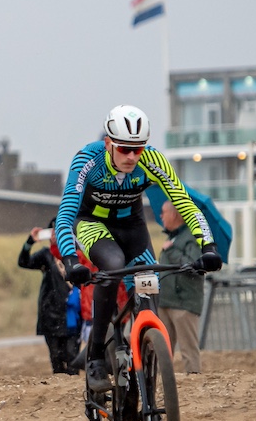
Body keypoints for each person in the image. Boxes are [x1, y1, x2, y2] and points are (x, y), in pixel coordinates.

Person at [57, 106, 221, 393]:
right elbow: (66, 213)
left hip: (132, 226)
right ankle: (96, 355)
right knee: (113, 263)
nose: (132, 156)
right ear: (109, 143)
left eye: (138, 149)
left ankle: (145, 359)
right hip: (93, 224)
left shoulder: (152, 160)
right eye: (124, 149)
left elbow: (183, 201)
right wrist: (71, 260)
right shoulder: (88, 159)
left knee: (148, 284)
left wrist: (208, 245)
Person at [18, 220, 78, 375]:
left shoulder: (77, 254)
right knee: (56, 359)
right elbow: (23, 262)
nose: (55, 235)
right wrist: (30, 242)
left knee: (73, 358)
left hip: (72, 313)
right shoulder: (46, 255)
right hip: (50, 314)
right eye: (53, 231)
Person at [157, 199, 206, 374]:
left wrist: (171, 250)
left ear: (175, 214)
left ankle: (193, 379)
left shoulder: (192, 237)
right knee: (162, 349)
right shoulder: (174, 236)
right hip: (166, 301)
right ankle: (160, 382)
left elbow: (193, 265)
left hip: (184, 303)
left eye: (164, 212)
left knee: (188, 349)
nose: (161, 216)